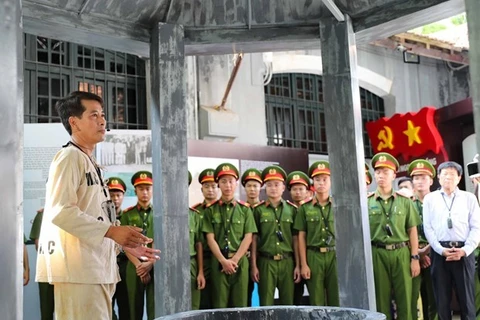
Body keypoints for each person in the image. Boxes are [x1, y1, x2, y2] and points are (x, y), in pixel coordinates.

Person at [35, 91, 159, 320]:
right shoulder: (69, 157)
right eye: (94, 115)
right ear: (74, 122)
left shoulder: (89, 161)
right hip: (80, 272)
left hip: (97, 268)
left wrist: (125, 244)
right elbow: (61, 211)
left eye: (102, 115)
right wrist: (112, 231)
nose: (102, 121)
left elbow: (97, 215)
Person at [423, 161, 480, 320]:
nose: (448, 178)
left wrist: (465, 250)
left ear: (459, 178)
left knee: (467, 302)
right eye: (444, 174)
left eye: (452, 174)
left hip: (464, 252)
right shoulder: (430, 199)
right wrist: (440, 249)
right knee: (442, 301)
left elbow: (476, 227)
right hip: (440, 253)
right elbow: (428, 228)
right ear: (439, 178)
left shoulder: (469, 198)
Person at [368, 152, 421, 320]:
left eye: (385, 172)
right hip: (378, 253)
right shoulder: (367, 202)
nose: (380, 175)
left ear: (394, 175)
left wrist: (414, 258)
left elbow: (412, 230)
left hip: (401, 253)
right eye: (378, 172)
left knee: (405, 296)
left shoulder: (404, 201)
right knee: (381, 299)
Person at [201, 163, 258, 308]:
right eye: (223, 181)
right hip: (218, 263)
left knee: (240, 304)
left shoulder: (245, 210)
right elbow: (210, 238)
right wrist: (223, 261)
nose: (228, 185)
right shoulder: (210, 210)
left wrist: (235, 259)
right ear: (218, 184)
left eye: (231, 181)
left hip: (240, 262)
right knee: (219, 304)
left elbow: (248, 236)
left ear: (236, 183)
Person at [251, 165, 300, 306]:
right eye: (269, 185)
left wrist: (297, 265)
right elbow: (253, 239)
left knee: (288, 304)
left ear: (283, 187)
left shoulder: (292, 210)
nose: (273, 188)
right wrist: (254, 266)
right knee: (265, 303)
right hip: (266, 262)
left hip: (287, 262)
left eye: (277, 185)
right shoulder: (258, 210)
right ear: (265, 188)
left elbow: (296, 239)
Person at [294, 160, 339, 306]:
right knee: (316, 300)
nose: (321, 183)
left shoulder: (338, 206)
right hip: (314, 255)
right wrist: (304, 264)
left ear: (331, 181)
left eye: (325, 179)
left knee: (336, 299)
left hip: (334, 255)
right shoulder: (305, 208)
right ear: (313, 183)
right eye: (317, 179)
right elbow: (301, 237)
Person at [121, 171, 156, 320]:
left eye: (148, 189)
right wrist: (139, 266)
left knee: (154, 307)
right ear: (135, 191)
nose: (145, 193)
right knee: (134, 307)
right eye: (141, 189)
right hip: (134, 265)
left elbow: (162, 242)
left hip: (155, 265)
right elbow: (124, 244)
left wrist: (150, 263)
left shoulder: (159, 213)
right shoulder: (127, 214)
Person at [407, 160, 437, 320]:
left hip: (435, 256)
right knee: (412, 299)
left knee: (436, 300)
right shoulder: (406, 203)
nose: (419, 181)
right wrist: (418, 254)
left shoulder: (439, 202)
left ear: (431, 180)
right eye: (416, 178)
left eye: (423, 178)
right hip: (412, 256)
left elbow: (442, 231)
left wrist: (426, 252)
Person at [192, 168, 217, 310]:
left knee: (220, 301)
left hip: (219, 262)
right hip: (202, 261)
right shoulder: (196, 212)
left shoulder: (223, 209)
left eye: (213, 186)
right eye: (206, 186)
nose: (210, 190)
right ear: (201, 189)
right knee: (203, 301)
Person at [286, 170, 311, 305]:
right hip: (292, 259)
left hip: (313, 258)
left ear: (307, 191)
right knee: (295, 297)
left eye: (301, 189)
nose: (297, 192)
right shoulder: (287, 209)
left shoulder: (311, 208)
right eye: (294, 189)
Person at [107, 177, 130, 320]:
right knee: (107, 306)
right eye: (111, 195)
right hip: (106, 265)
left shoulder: (127, 216)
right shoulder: (101, 217)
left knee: (125, 305)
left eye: (118, 195)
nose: (115, 199)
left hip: (125, 266)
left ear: (123, 196)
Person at [240, 168, 263, 306]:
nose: (252, 189)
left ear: (261, 187)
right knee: (245, 295)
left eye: (255, 185)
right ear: (244, 188)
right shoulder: (241, 209)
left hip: (265, 258)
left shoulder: (265, 208)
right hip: (246, 258)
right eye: (249, 186)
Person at [30, 208, 54, 320]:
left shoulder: (72, 213)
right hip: (46, 271)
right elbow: (38, 245)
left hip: (67, 273)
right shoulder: (42, 215)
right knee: (46, 313)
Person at [189, 171, 206, 309]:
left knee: (194, 306)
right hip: (169, 264)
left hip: (191, 263)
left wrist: (200, 271)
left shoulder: (193, 215)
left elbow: (198, 244)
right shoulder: (161, 214)